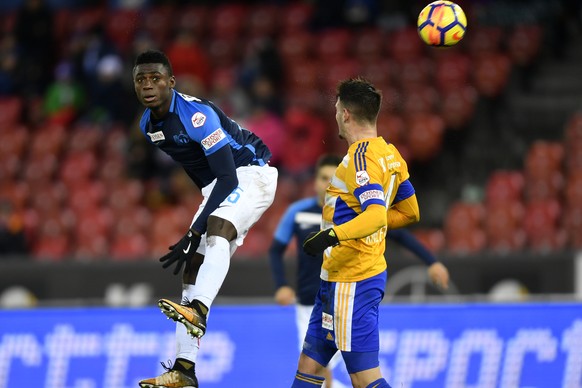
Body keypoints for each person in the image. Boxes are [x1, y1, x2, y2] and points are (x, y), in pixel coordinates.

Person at [132, 50, 278, 388]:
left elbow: (228, 177)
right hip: (217, 183)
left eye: (155, 78)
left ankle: (199, 308)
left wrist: (192, 230)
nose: (148, 85)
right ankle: (184, 369)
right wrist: (193, 234)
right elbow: (200, 169)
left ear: (171, 82)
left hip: (249, 172)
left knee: (215, 230)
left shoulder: (197, 115)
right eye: (141, 80)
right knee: (192, 267)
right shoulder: (147, 125)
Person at [271, 155, 449, 387]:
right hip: (311, 301)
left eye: (332, 178)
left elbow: (398, 231)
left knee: (356, 376)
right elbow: (275, 250)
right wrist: (281, 285)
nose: (327, 183)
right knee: (312, 366)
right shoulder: (298, 212)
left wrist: (431, 261)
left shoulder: (353, 213)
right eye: (323, 177)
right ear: (314, 180)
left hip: (346, 293)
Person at [290, 77, 419, 388]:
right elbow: (409, 212)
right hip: (334, 280)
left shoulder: (359, 158)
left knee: (363, 379)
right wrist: (365, 229)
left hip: (353, 280)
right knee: (308, 366)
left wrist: (332, 235)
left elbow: (375, 215)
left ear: (345, 113)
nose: (335, 113)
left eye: (336, 107)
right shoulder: (390, 154)